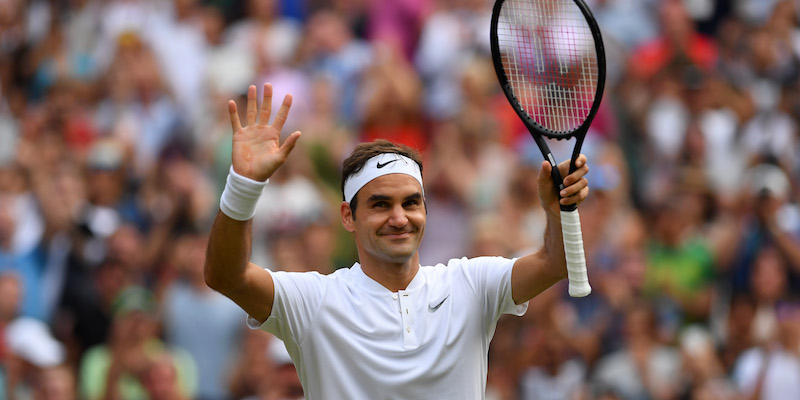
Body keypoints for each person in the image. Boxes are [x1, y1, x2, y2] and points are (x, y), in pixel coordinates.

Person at [204, 83, 591, 399]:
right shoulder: (314, 300)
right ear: (348, 217)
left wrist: (557, 214)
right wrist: (243, 186)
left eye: (411, 203)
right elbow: (226, 277)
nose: (399, 218)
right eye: (380, 204)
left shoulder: (470, 284)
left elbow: (554, 263)